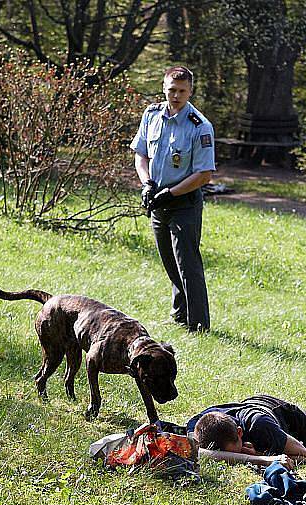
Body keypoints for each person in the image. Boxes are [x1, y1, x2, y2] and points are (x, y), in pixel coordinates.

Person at [130, 66, 215, 332]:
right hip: (156, 200)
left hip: (183, 203)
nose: (176, 95)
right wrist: (147, 184)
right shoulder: (152, 115)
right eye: (172, 90)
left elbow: (204, 175)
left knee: (188, 264)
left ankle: (198, 325)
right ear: (164, 88)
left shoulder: (200, 127)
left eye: (182, 91)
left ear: (190, 91)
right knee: (169, 262)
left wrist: (171, 192)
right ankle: (179, 314)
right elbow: (141, 154)